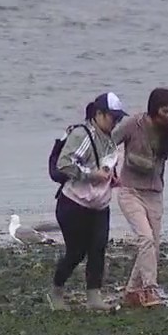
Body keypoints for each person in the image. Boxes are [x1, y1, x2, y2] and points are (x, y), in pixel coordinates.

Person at [48, 91, 124, 311]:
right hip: (73, 204)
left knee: (98, 248)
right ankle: (57, 293)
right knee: (76, 252)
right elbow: (64, 164)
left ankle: (94, 297)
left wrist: (112, 178)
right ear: (99, 114)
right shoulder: (83, 135)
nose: (116, 122)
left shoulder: (109, 139)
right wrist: (92, 174)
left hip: (99, 205)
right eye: (113, 117)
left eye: (119, 118)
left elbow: (107, 164)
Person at [112, 87, 168, 308]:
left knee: (153, 245)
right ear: (154, 108)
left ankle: (133, 291)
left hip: (154, 192)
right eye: (164, 111)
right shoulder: (133, 124)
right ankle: (151, 289)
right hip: (129, 190)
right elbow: (106, 144)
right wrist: (109, 170)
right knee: (146, 238)